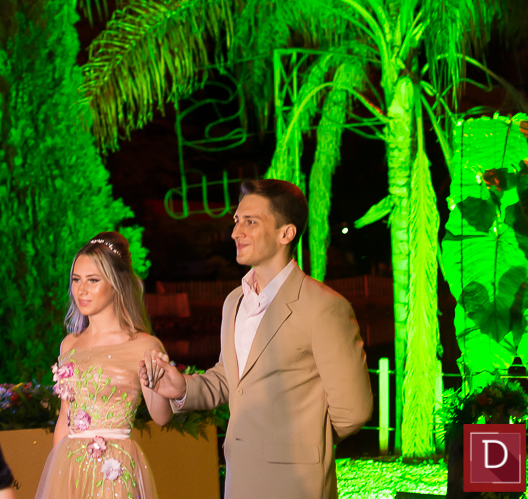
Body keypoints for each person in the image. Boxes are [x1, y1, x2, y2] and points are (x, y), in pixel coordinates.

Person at [140, 179, 373, 499]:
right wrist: (182, 388)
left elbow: (354, 411)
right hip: (240, 477)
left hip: (296, 484)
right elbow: (230, 378)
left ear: (286, 233)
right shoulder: (234, 302)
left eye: (250, 222)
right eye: (237, 220)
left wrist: (300, 445)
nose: (236, 232)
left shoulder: (324, 307)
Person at [36, 231, 172, 499]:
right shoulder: (69, 345)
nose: (81, 290)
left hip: (114, 472)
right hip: (70, 469)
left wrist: (156, 380)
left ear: (117, 283)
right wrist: (57, 475)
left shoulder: (144, 345)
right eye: (76, 279)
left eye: (93, 280)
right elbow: (65, 417)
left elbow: (161, 416)